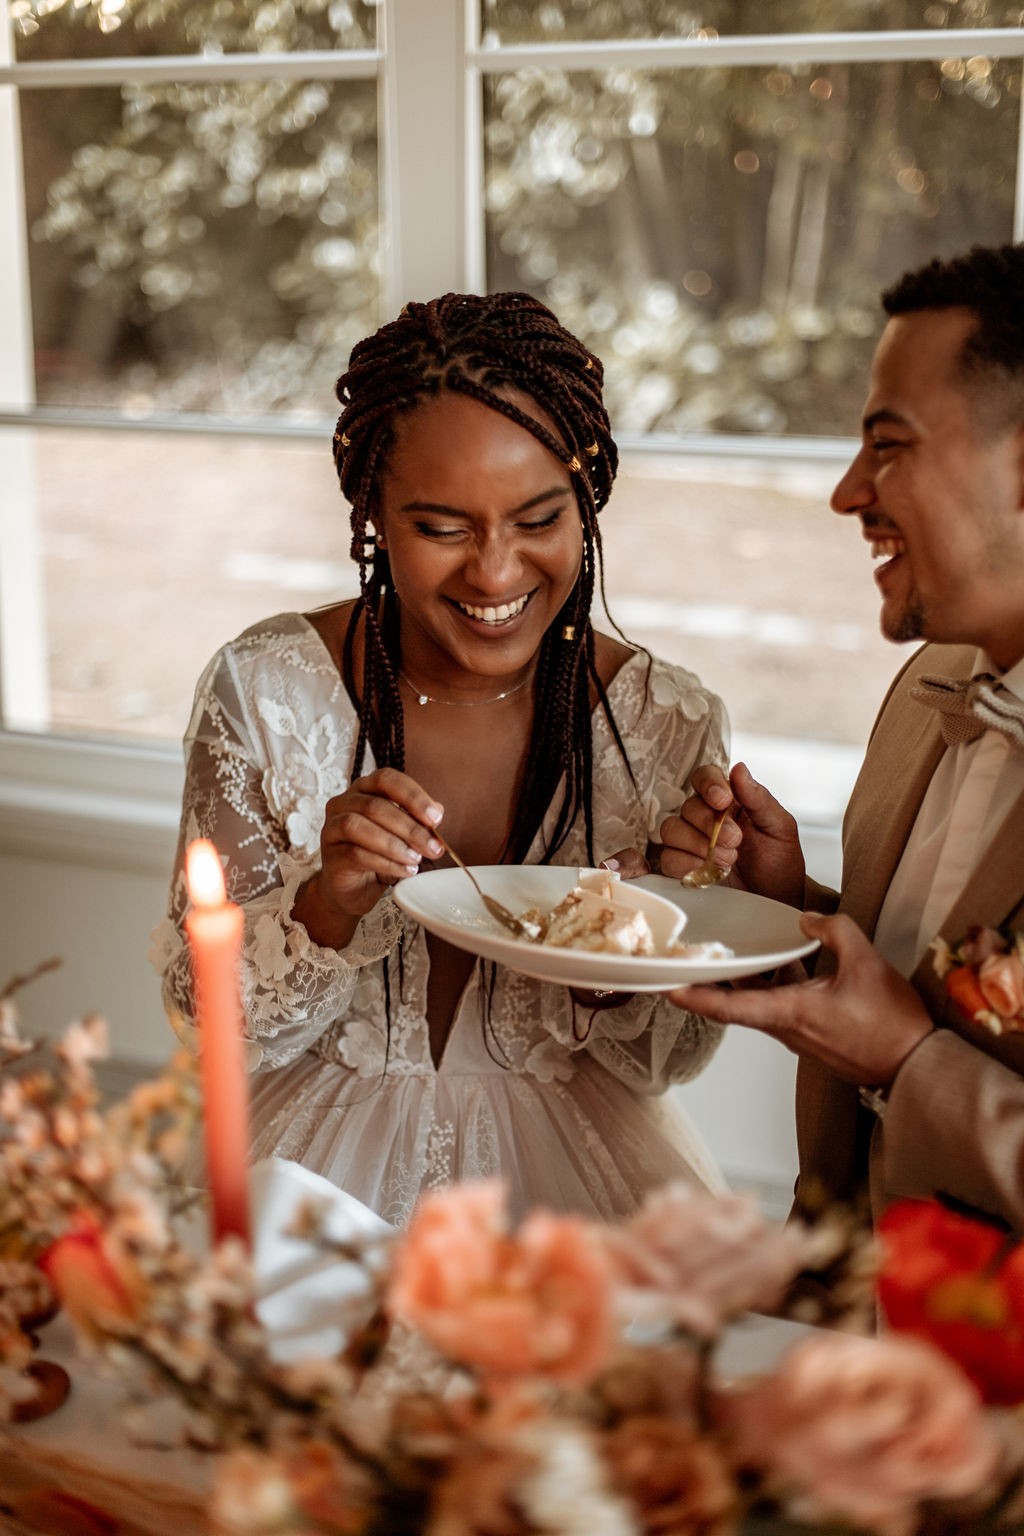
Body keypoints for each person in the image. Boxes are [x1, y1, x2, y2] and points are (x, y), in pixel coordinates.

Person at [151, 291, 728, 1226]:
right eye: (443, 529)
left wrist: (619, 958)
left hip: (585, 1201)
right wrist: (327, 902)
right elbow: (206, 1017)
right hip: (309, 1185)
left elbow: (668, 1059)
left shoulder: (666, 723)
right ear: (372, 511)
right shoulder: (268, 691)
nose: (495, 575)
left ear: (588, 502)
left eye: (539, 520)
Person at [659, 243, 1024, 1234]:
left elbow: (906, 1045)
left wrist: (911, 1065)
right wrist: (789, 915)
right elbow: (901, 990)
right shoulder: (928, 685)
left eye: (890, 446)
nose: (847, 492)